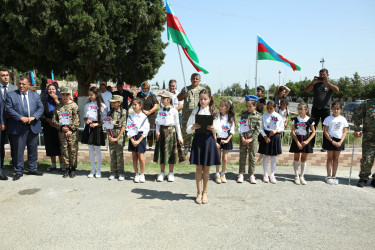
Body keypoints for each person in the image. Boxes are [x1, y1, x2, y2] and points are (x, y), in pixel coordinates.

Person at [186, 89, 221, 204]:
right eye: (201, 99)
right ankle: (198, 192)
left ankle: (205, 193)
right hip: (198, 140)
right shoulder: (195, 111)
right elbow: (187, 129)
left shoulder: (213, 112)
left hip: (209, 140)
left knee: (206, 168)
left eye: (205, 99)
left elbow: (219, 129)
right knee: (198, 168)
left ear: (209, 99)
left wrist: (213, 128)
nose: (203, 101)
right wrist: (193, 127)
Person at [5, 77, 44, 181]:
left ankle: (33, 169)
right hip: (18, 126)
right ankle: (18, 171)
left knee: (33, 149)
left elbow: (41, 108)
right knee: (18, 150)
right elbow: (8, 108)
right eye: (19, 84)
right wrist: (20, 117)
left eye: (23, 84)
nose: (21, 86)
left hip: (32, 126)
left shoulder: (35, 95)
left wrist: (33, 117)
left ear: (28, 85)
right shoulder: (11, 95)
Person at [304, 69, 339, 151]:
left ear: (327, 75)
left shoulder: (330, 84)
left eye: (324, 75)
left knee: (326, 128)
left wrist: (328, 83)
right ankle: (310, 145)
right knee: (312, 127)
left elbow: (337, 90)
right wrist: (313, 82)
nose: (322, 76)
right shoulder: (316, 84)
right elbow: (306, 90)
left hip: (325, 109)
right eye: (321, 75)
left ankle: (325, 147)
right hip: (315, 109)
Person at [154, 91, 183, 182]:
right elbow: (158, 122)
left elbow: (177, 124)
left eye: (163, 98)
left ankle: (171, 172)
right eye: (161, 98)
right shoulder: (160, 110)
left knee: (171, 154)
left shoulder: (174, 110)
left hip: (171, 132)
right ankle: (162, 172)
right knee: (162, 152)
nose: (161, 100)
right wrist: (157, 131)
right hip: (162, 132)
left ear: (169, 99)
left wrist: (179, 137)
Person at [52, 87, 80, 178]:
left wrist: (71, 130)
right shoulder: (58, 106)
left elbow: (77, 120)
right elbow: (54, 120)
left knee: (73, 150)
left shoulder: (74, 105)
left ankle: (73, 168)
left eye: (67, 95)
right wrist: (60, 128)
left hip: (72, 133)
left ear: (69, 95)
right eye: (63, 95)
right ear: (60, 95)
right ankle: (66, 168)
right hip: (62, 133)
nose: (65, 97)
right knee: (64, 150)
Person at [81, 86, 107, 178]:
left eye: (91, 95)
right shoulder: (87, 105)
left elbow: (105, 119)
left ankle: (98, 170)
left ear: (96, 95)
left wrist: (97, 124)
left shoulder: (103, 106)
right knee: (90, 150)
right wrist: (86, 121)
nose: (90, 96)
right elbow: (85, 116)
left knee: (97, 150)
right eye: (89, 95)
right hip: (89, 127)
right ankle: (92, 170)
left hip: (97, 128)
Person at [177, 73, 206, 154]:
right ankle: (187, 146)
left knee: (198, 130)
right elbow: (179, 98)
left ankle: (197, 147)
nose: (195, 80)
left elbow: (207, 100)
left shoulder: (203, 90)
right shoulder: (185, 89)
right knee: (186, 129)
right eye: (193, 78)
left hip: (199, 114)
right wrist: (184, 95)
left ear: (199, 80)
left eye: (197, 79)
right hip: (187, 114)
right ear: (190, 79)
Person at [289, 102, 316, 185]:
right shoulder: (295, 119)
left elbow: (313, 132)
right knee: (296, 158)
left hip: (305, 142)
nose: (299, 110)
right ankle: (296, 176)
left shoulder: (310, 120)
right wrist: (297, 142)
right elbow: (293, 131)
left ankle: (302, 176)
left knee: (303, 159)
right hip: (297, 141)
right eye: (298, 108)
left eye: (301, 109)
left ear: (306, 110)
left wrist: (307, 141)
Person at [258, 100, 284, 184]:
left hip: (275, 135)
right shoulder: (264, 116)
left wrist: (276, 130)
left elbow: (282, 127)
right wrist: (265, 136)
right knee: (265, 155)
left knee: (273, 156)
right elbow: (261, 127)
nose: (269, 110)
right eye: (267, 108)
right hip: (265, 135)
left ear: (275, 107)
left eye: (271, 108)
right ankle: (265, 174)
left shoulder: (278, 116)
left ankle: (272, 175)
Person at [322, 102, 348, 185]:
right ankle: (328, 176)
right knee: (330, 158)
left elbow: (344, 131)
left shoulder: (343, 119)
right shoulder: (328, 118)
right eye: (334, 108)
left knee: (336, 158)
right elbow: (325, 131)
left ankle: (334, 176)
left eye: (338, 109)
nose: (336, 110)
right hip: (330, 139)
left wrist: (340, 142)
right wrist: (331, 141)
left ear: (340, 109)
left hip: (339, 139)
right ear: (331, 109)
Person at [238, 95, 261, 184]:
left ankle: (251, 175)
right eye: (247, 106)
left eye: (250, 106)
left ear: (255, 106)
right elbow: (240, 127)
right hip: (243, 139)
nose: (248, 108)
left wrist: (251, 139)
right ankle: (241, 174)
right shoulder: (243, 115)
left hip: (253, 140)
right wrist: (243, 138)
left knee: (252, 157)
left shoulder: (258, 116)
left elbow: (258, 129)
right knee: (242, 157)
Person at [40, 83, 63, 171]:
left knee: (59, 145)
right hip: (48, 125)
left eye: (53, 89)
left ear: (56, 90)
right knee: (50, 145)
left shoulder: (61, 100)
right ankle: (53, 164)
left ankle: (62, 164)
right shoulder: (44, 100)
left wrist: (56, 100)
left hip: (59, 126)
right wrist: (48, 120)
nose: (51, 91)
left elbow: (64, 111)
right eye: (49, 89)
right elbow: (40, 114)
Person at [126, 98, 150, 183]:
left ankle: (142, 174)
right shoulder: (130, 116)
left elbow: (146, 130)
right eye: (133, 104)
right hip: (133, 136)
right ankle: (136, 174)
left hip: (141, 137)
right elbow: (128, 128)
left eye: (135, 104)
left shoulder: (144, 117)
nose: (134, 106)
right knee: (134, 156)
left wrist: (139, 141)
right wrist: (132, 140)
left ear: (141, 106)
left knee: (141, 157)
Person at [353, 99, 375, 188]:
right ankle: (363, 178)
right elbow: (357, 115)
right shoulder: (368, 103)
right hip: (369, 137)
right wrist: (357, 129)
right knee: (367, 158)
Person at [0, 68, 17, 180]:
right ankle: (0, 169)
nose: (5, 77)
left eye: (7, 75)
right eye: (3, 75)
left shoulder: (15, 88)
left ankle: (16, 166)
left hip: (13, 122)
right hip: (1, 122)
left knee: (15, 145)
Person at [107, 95, 127, 181]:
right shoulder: (110, 112)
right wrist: (109, 136)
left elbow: (123, 126)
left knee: (119, 154)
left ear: (119, 103)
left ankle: (121, 172)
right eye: (111, 102)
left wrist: (117, 138)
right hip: (111, 133)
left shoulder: (123, 112)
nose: (112, 103)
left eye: (114, 102)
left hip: (119, 134)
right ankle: (113, 172)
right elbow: (107, 125)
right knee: (112, 153)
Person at [215, 99, 235, 184]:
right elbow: (214, 130)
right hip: (218, 139)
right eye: (219, 105)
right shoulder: (216, 116)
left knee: (225, 159)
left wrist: (227, 140)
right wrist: (215, 141)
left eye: (222, 106)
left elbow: (232, 131)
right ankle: (217, 174)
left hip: (226, 140)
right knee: (218, 157)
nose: (219, 107)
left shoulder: (230, 118)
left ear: (227, 108)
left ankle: (223, 174)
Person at [136, 82, 158, 148]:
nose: (145, 89)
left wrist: (149, 112)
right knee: (141, 132)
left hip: (151, 116)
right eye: (143, 88)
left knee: (150, 133)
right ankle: (142, 147)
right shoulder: (139, 95)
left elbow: (156, 106)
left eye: (146, 88)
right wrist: (143, 111)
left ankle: (150, 147)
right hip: (141, 115)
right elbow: (137, 103)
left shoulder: (152, 95)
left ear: (148, 88)